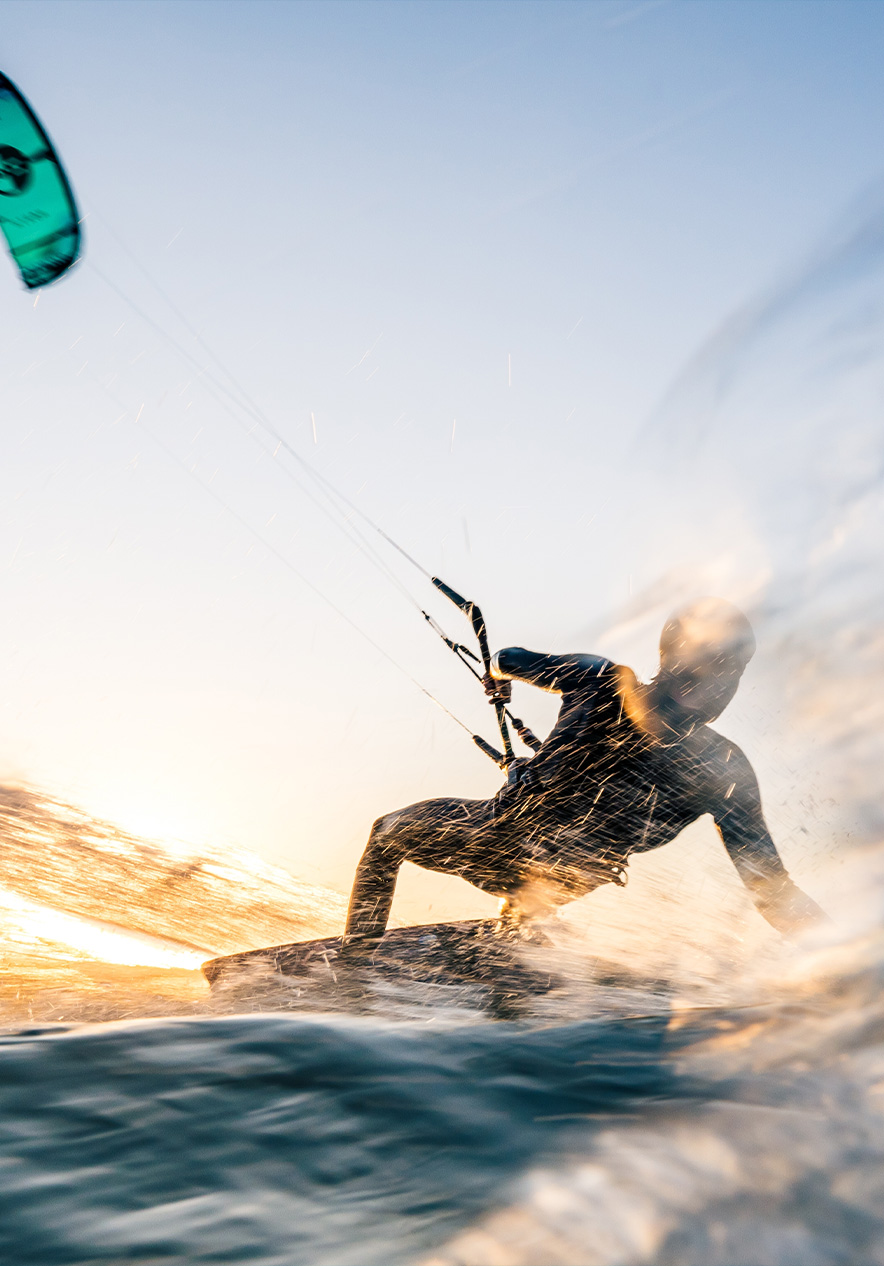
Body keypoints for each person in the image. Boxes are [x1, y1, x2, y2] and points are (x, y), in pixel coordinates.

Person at [341, 597, 826, 955]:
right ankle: (372, 962)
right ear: (671, 661)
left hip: (527, 863)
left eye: (732, 672)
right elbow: (509, 657)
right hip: (516, 851)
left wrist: (851, 964)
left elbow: (773, 891)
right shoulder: (604, 682)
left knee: (395, 839)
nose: (718, 684)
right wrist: (501, 673)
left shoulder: (722, 769)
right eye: (707, 665)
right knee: (393, 836)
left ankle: (492, 953)